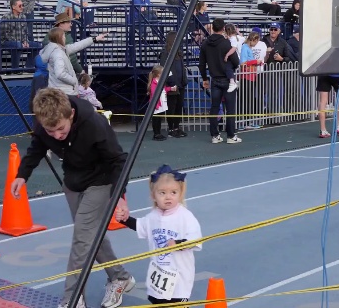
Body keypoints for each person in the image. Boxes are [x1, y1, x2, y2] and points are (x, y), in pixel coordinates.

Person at [11, 88, 135, 308]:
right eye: (51, 131)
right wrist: (22, 174)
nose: (57, 135)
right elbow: (37, 145)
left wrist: (120, 196)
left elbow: (118, 160)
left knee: (81, 240)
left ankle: (72, 298)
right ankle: (120, 277)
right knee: (90, 238)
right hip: (73, 182)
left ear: (70, 116)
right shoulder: (45, 123)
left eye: (61, 129)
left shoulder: (94, 124)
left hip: (100, 181)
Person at [116, 164, 202, 304]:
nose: (168, 197)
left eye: (173, 192)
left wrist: (178, 243)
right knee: (157, 303)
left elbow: (195, 240)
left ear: (180, 194)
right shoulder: (153, 216)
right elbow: (140, 226)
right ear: (153, 196)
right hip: (158, 276)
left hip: (179, 279)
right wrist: (124, 219)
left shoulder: (186, 217)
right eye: (162, 193)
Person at [198, 18, 241, 144]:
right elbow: (236, 61)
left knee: (214, 107)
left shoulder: (205, 44)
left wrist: (205, 78)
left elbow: (201, 64)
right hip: (227, 79)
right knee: (230, 108)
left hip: (214, 79)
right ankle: (231, 135)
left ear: (212, 28)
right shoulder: (226, 43)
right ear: (223, 29)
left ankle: (214, 135)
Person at [147, 65, 176, 141]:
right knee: (156, 119)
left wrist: (170, 89)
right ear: (159, 74)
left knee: (159, 119)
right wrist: (156, 104)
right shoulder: (154, 82)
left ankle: (158, 133)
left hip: (161, 103)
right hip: (157, 104)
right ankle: (156, 134)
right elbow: (154, 94)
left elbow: (163, 89)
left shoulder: (160, 81)